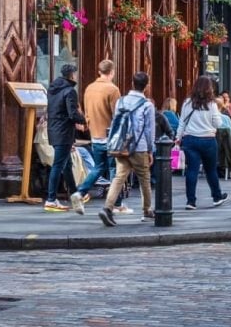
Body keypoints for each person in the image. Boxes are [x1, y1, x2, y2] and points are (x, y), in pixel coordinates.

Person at [99, 71, 156, 226]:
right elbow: (149, 130)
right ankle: (147, 209)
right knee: (144, 178)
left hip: (121, 146)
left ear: (132, 83)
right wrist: (151, 150)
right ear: (147, 86)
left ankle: (107, 208)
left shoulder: (121, 101)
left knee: (119, 177)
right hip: (139, 146)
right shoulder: (147, 105)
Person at [73, 59, 127, 209]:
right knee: (114, 170)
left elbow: (86, 112)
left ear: (99, 71)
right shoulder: (113, 89)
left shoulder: (89, 88)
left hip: (95, 134)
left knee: (98, 167)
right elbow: (118, 115)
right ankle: (117, 203)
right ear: (112, 72)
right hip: (111, 135)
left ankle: (80, 192)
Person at [175, 76, 227, 210]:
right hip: (208, 140)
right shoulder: (212, 104)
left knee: (192, 170)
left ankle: (191, 201)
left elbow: (182, 122)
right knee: (210, 170)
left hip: (190, 139)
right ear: (209, 88)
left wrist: (178, 137)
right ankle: (216, 196)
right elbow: (218, 123)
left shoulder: (187, 102)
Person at [44, 64, 87, 213]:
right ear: (72, 75)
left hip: (54, 130)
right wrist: (84, 119)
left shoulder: (53, 90)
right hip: (64, 132)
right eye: (75, 74)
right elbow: (72, 114)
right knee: (58, 165)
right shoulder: (70, 91)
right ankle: (50, 200)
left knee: (67, 165)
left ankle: (75, 196)